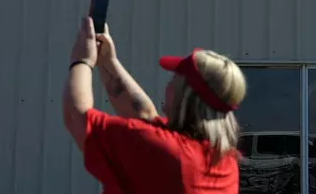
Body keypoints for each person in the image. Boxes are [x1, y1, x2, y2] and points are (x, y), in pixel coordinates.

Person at [62, 16, 247, 194]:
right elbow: (145, 114)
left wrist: (82, 60)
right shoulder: (225, 161)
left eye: (175, 79)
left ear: (185, 95)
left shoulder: (168, 152)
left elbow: (76, 116)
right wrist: (108, 61)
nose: (168, 84)